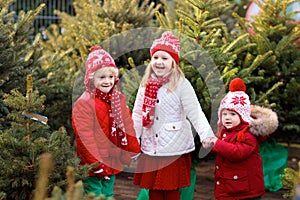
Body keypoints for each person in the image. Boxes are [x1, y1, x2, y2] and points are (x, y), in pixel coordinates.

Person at [131, 31, 214, 200]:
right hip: (151, 146)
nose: (159, 62)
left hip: (173, 148)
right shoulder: (145, 85)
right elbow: (138, 114)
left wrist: (206, 134)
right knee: (153, 188)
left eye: (164, 58)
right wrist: (133, 140)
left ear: (174, 63)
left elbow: (195, 111)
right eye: (156, 58)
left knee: (170, 190)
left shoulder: (182, 84)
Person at [72, 46, 141, 199]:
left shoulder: (117, 99)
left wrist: (134, 149)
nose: (107, 81)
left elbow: (127, 125)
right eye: (101, 77)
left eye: (110, 77)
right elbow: (85, 138)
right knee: (95, 193)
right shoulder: (84, 104)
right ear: (91, 79)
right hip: (93, 162)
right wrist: (94, 163)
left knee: (108, 192)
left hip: (112, 158)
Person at [208, 77, 278, 200]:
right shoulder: (226, 131)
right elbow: (223, 146)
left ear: (243, 116)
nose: (227, 118)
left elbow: (237, 152)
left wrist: (216, 143)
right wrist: (210, 143)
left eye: (233, 114)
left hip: (245, 191)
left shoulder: (247, 134)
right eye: (224, 114)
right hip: (230, 187)